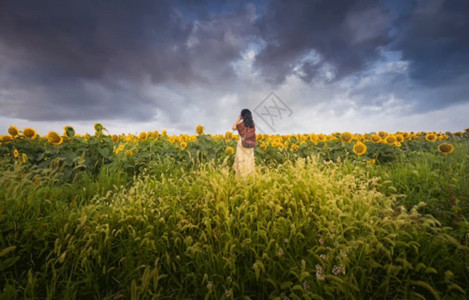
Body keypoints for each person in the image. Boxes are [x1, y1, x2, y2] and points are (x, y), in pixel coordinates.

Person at [232, 109, 256, 178]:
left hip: (241, 144)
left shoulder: (241, 124)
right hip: (250, 144)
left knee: (241, 160)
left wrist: (238, 119)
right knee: (249, 160)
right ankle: (250, 177)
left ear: (242, 116)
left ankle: (241, 177)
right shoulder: (252, 124)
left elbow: (233, 128)